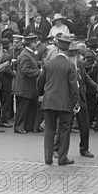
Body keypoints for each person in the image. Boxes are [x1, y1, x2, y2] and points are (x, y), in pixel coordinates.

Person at [37, 35, 80, 166]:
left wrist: (41, 94)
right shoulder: (70, 65)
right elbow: (73, 86)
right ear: (68, 50)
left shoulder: (48, 63)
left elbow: (40, 82)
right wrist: (75, 102)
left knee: (49, 130)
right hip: (64, 102)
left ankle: (48, 158)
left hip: (49, 100)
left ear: (57, 48)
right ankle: (62, 157)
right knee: (64, 129)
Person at [67, 41, 98, 158]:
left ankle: (84, 148)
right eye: (70, 52)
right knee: (64, 125)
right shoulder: (65, 63)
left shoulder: (80, 64)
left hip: (80, 98)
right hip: (68, 98)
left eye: (75, 52)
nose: (73, 54)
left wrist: (95, 86)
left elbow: (85, 78)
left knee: (85, 125)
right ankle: (58, 148)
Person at [14, 34, 41, 134]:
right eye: (35, 42)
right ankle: (19, 127)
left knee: (29, 107)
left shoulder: (27, 53)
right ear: (31, 43)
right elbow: (25, 70)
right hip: (24, 87)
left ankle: (27, 126)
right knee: (23, 108)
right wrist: (38, 72)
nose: (36, 44)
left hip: (27, 87)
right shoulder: (25, 54)